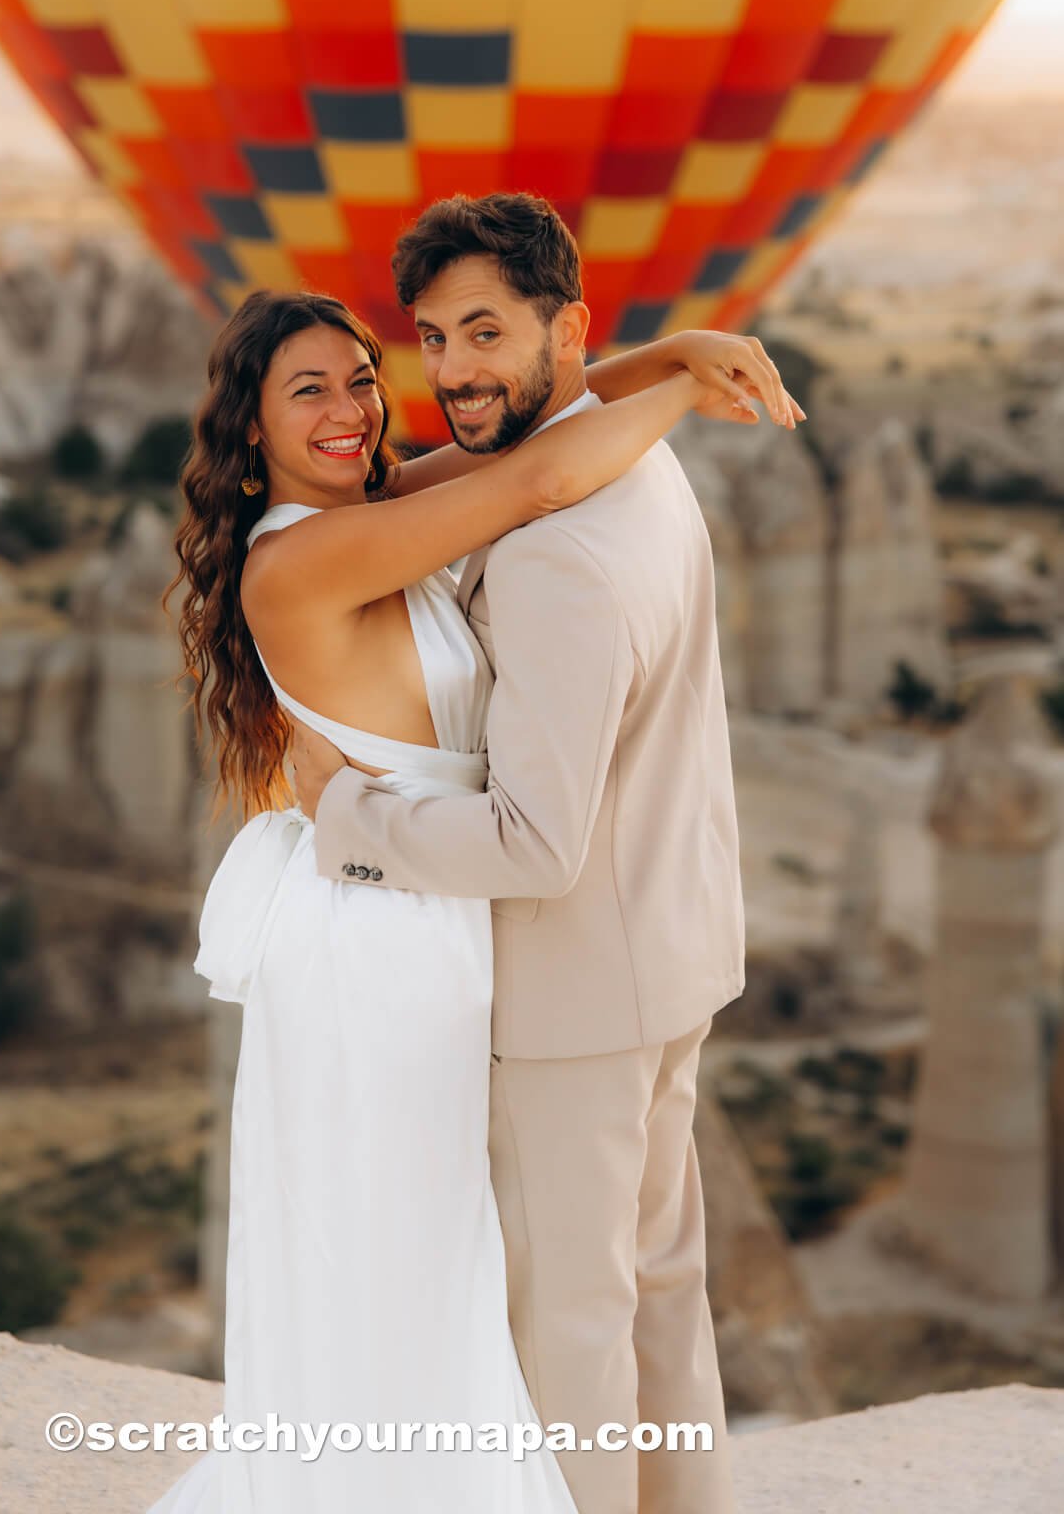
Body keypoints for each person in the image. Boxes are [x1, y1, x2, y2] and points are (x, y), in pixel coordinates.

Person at [148, 266, 800, 1513]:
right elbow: (539, 480)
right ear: (250, 428)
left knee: (474, 1252)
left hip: (446, 900)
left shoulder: (377, 501)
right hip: (382, 930)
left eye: (359, 379)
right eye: (307, 391)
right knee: (415, 1243)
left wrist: (672, 347)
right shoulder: (305, 557)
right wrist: (685, 384)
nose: (351, 409)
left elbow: (543, 421)